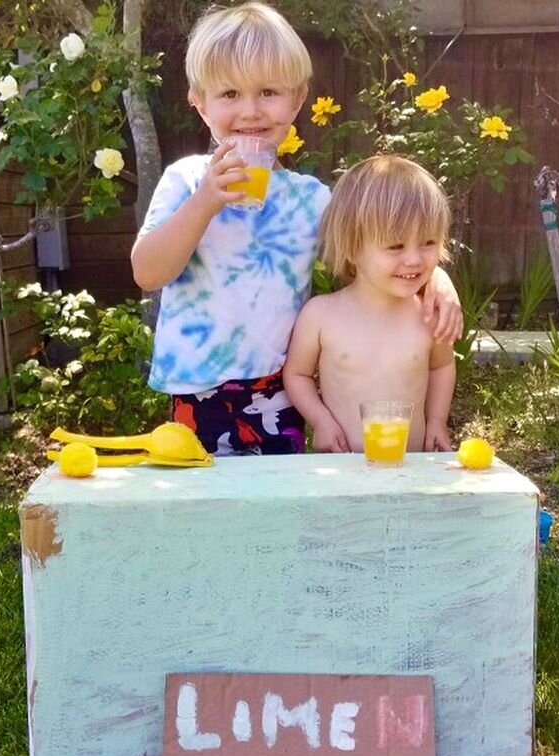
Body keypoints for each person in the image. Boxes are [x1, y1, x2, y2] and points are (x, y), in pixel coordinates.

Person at [131, 2, 461, 456]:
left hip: (280, 388)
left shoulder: (312, 199)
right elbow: (147, 272)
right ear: (198, 103)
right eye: (229, 95)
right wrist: (205, 202)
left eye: (269, 91)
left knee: (280, 511)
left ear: (298, 99)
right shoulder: (186, 180)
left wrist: (437, 280)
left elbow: (370, 257)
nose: (250, 110)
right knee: (204, 508)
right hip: (198, 387)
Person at [283, 154, 456, 454]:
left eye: (428, 242)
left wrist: (437, 421)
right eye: (395, 246)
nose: (414, 259)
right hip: (341, 470)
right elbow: (297, 374)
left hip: (410, 468)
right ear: (352, 248)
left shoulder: (427, 314)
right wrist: (321, 422)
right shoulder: (322, 315)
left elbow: (442, 366)